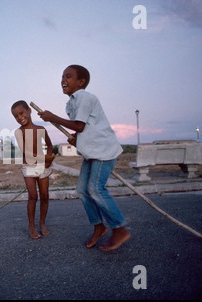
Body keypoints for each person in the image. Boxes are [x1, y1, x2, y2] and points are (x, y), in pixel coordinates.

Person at [38, 65, 131, 251]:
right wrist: (76, 138)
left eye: (68, 76)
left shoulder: (84, 97)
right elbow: (84, 127)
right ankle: (99, 226)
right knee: (82, 190)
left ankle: (119, 229)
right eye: (62, 76)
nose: (63, 80)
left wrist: (51, 118)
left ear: (81, 82)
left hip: (104, 151)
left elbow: (79, 125)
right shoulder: (72, 102)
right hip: (92, 152)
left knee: (95, 189)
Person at [11, 100, 54, 239]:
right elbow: (25, 152)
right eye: (16, 116)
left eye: (21, 113)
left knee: (45, 195)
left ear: (29, 111)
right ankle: (32, 226)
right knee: (33, 196)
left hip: (43, 167)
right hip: (28, 167)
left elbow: (49, 145)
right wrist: (44, 158)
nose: (20, 117)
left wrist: (49, 157)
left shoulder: (41, 129)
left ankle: (42, 223)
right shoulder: (18, 132)